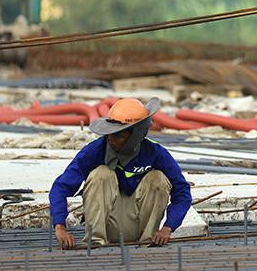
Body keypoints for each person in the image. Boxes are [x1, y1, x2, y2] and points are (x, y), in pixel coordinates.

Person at [49, 97, 192, 248]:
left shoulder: (156, 153)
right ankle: (96, 241)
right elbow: (60, 188)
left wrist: (168, 228)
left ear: (136, 135)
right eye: (109, 133)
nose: (111, 139)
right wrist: (60, 227)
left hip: (141, 230)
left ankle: (147, 242)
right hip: (109, 225)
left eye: (118, 135)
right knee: (101, 174)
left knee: (158, 179)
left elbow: (182, 192)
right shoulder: (95, 150)